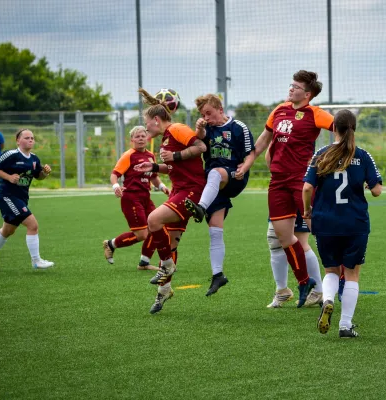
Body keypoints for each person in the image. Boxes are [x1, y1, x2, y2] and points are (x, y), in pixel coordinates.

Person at [253, 70, 333, 308]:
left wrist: (336, 156)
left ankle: (323, 287)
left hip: (300, 184)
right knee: (277, 238)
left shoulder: (313, 114)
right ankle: (286, 289)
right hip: (278, 183)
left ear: (307, 93)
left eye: (295, 86)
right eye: (290, 85)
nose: (290, 88)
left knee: (307, 237)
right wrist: (250, 161)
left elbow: (341, 126)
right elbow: (266, 146)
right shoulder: (279, 111)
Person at [303, 109, 382, 338]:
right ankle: (345, 325)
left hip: (326, 222)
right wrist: (366, 185)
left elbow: (307, 187)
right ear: (353, 129)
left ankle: (327, 300)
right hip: (355, 223)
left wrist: (308, 211)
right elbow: (377, 190)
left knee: (331, 271)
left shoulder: (322, 153)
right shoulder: (363, 155)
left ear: (334, 128)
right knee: (351, 274)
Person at [133, 88, 207, 314]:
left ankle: (166, 266)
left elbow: (200, 147)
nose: (145, 128)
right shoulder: (167, 137)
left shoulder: (177, 129)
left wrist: (174, 156)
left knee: (153, 220)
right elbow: (174, 165)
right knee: (171, 243)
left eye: (146, 123)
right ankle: (164, 291)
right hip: (179, 190)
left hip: (192, 191)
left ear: (156, 119)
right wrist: (155, 167)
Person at [183, 94, 255, 296]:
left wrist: (245, 168)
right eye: (202, 114)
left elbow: (250, 153)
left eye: (209, 113)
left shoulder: (238, 127)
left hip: (234, 176)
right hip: (213, 185)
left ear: (220, 110)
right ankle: (218, 275)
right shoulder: (207, 129)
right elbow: (199, 141)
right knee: (215, 230)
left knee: (216, 172)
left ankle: (201, 207)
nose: (206, 117)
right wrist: (199, 129)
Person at [0, 128, 54, 270]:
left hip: (21, 198)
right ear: (18, 141)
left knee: (8, 230)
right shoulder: (11, 155)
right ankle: (36, 260)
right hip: (6, 196)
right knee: (32, 224)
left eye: (32, 138)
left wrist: (44, 173)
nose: (30, 140)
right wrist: (8, 177)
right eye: (27, 138)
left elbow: (38, 176)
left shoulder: (34, 159)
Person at [102, 126, 170, 271]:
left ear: (147, 138)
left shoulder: (151, 156)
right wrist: (116, 187)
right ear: (132, 140)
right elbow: (114, 174)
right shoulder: (129, 155)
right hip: (131, 198)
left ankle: (144, 263)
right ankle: (111, 244)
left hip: (146, 197)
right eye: (137, 136)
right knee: (142, 234)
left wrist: (163, 187)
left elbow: (154, 177)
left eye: (143, 136)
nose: (140, 138)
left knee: (156, 226)